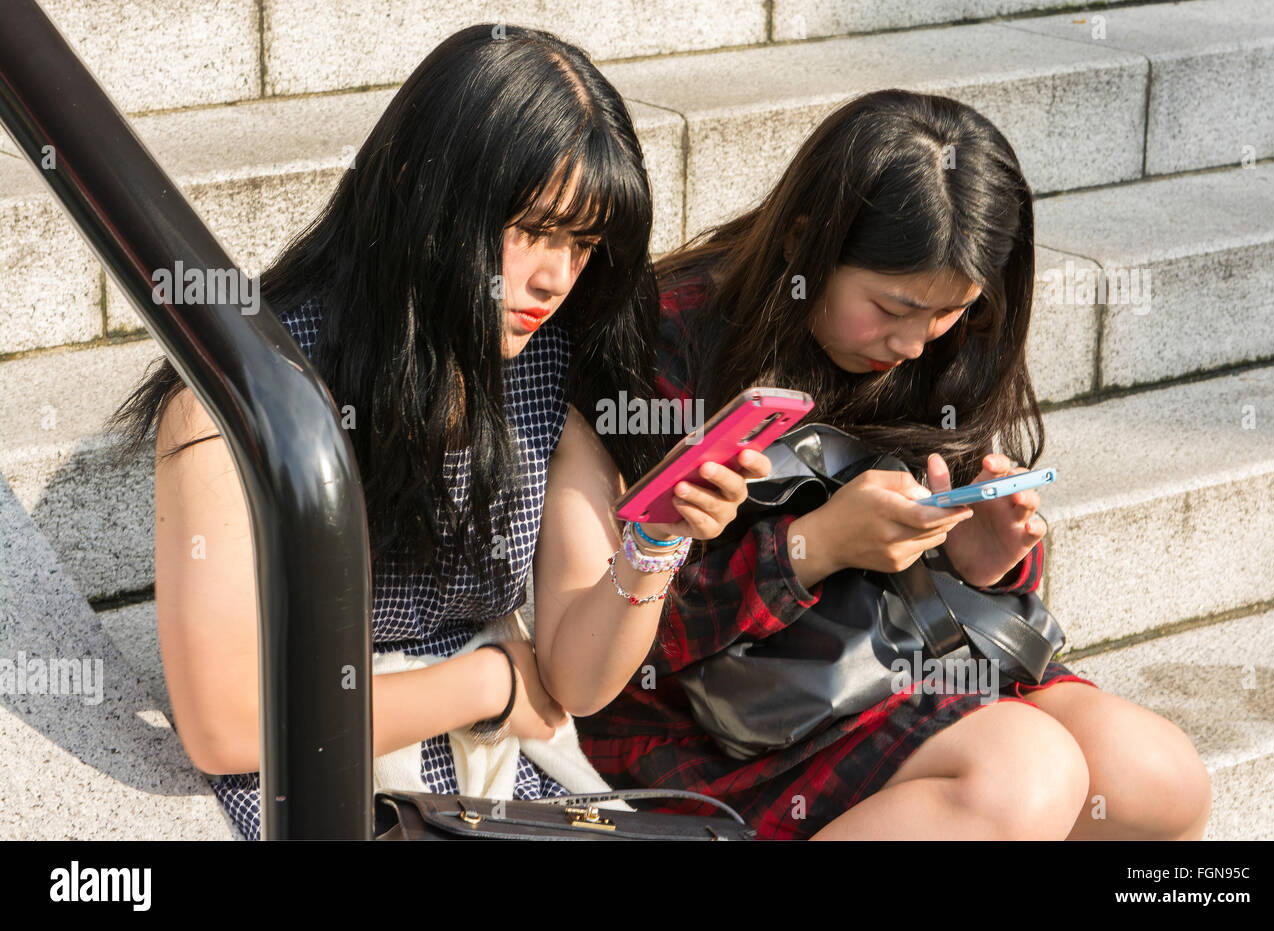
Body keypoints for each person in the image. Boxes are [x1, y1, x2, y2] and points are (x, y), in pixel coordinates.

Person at [105, 24, 768, 840]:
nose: (556, 277)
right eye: (531, 228)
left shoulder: (545, 363)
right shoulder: (247, 398)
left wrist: (655, 540)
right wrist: (485, 682)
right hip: (327, 777)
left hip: (495, 778)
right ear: (427, 191)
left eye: (582, 243)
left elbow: (573, 673)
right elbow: (229, 725)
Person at [575, 89, 1213, 841]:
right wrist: (814, 548)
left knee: (1160, 778)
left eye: (945, 312)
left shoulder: (951, 338)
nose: (913, 343)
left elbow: (967, 572)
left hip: (895, 655)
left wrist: (983, 560)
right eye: (891, 306)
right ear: (804, 244)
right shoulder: (671, 345)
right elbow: (623, 634)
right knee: (1025, 772)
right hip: (711, 714)